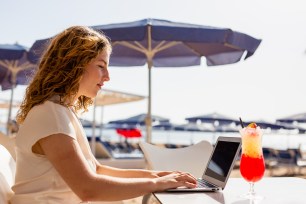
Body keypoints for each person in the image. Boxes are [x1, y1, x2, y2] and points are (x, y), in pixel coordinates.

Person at [11, 26, 197, 203]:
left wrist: (155, 175)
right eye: (101, 66)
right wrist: (157, 184)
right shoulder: (50, 114)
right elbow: (87, 188)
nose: (107, 76)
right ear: (74, 65)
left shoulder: (59, 111)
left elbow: (96, 169)